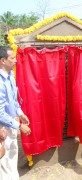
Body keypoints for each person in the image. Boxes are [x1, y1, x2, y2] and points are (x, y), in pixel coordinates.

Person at [0, 46, 31, 180]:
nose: (15, 61)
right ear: (3, 60)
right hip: (3, 128)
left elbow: (13, 100)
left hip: (11, 123)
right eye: (12, 58)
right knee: (5, 163)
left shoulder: (10, 77)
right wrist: (19, 126)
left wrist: (21, 113)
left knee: (12, 158)